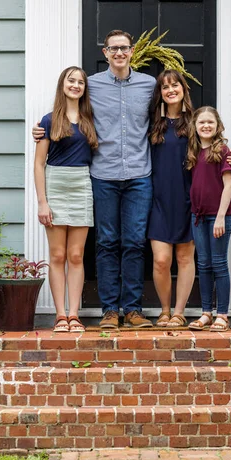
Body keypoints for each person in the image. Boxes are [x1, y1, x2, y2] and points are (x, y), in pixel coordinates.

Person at [33, 30, 156, 329]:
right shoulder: (93, 85)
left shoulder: (149, 84)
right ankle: (110, 310)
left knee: (135, 243)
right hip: (102, 175)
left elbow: (165, 118)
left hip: (140, 174)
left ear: (132, 50)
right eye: (113, 48)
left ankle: (134, 309)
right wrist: (42, 130)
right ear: (105, 52)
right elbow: (68, 113)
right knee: (106, 242)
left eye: (124, 48)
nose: (119, 53)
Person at [34, 66, 98, 332]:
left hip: (82, 184)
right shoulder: (49, 121)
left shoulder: (90, 119)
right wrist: (42, 202)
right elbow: (39, 164)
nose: (76, 85)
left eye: (80, 82)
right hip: (56, 185)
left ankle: (74, 314)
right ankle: (60, 315)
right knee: (58, 254)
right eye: (71, 81)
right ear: (63, 85)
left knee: (76, 254)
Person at [147, 70, 195, 327]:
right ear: (161, 95)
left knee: (185, 258)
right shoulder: (154, 125)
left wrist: (227, 157)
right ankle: (164, 310)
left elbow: (214, 148)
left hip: (188, 199)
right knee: (161, 260)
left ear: (183, 89)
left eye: (175, 85)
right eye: (165, 87)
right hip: (158, 200)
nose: (171, 90)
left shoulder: (195, 123)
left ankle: (179, 312)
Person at [186, 106, 231, 331]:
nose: (206, 126)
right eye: (201, 122)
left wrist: (220, 217)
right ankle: (206, 312)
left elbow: (228, 186)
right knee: (203, 264)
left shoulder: (223, 151)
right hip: (198, 217)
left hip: (218, 218)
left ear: (218, 126)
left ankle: (222, 315)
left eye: (210, 122)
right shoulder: (193, 152)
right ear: (195, 127)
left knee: (219, 264)